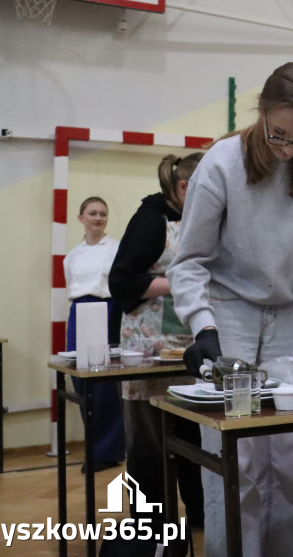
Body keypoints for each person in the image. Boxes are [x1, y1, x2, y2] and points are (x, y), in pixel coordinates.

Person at [168, 61, 293, 557]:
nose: (289, 149)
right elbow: (189, 263)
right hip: (230, 320)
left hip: (288, 316)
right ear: (262, 111)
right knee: (238, 459)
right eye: (279, 134)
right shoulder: (221, 164)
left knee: (288, 456)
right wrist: (203, 327)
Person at [108, 152, 205, 531]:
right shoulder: (149, 220)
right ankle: (151, 525)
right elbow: (122, 283)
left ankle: (199, 517)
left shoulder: (200, 218)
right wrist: (181, 283)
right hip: (149, 346)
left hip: (190, 347)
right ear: (183, 187)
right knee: (148, 443)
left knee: (193, 439)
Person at [63, 196, 125, 473]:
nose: (98, 218)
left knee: (105, 383)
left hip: (106, 310)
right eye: (92, 213)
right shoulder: (72, 255)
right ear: (81, 218)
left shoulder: (116, 249)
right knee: (81, 380)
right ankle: (95, 446)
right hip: (79, 312)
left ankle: (108, 451)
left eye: (103, 214)